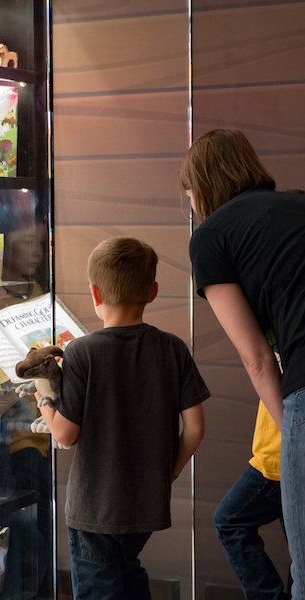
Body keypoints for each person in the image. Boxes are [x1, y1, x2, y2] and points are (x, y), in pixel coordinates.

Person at [38, 236, 210, 600]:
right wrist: (170, 472)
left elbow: (65, 436)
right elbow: (195, 427)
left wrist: (43, 400)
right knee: (129, 572)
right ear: (153, 291)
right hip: (146, 504)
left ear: (95, 294)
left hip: (94, 509)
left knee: (102, 586)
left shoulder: (82, 352)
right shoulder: (172, 347)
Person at [178, 128, 305, 599]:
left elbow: (255, 358)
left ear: (202, 186)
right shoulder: (297, 204)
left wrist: (289, 429)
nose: (189, 203)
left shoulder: (211, 238)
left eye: (188, 192)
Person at [214, 399, 290, 599]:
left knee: (228, 521)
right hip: (285, 451)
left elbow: (256, 366)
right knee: (298, 551)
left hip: (278, 455)